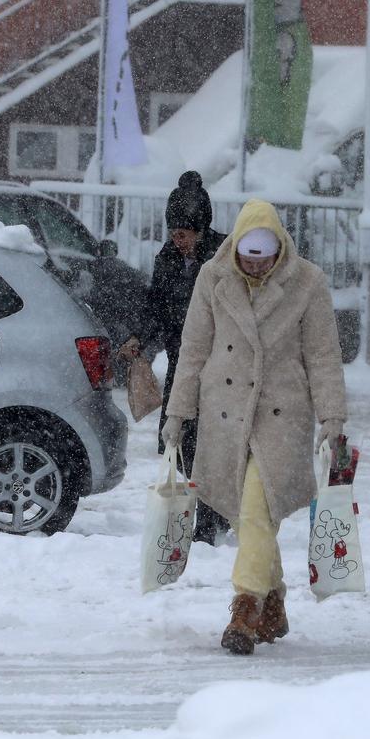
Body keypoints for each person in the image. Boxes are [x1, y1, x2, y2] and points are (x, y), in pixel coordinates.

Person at [163, 198, 347, 655]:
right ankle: (275, 602)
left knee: (256, 507)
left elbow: (323, 355)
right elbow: (194, 349)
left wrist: (332, 417)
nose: (256, 266)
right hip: (225, 410)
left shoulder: (307, 282)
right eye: (249, 258)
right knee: (248, 517)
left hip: (282, 412)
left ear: (279, 250)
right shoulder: (213, 277)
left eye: (264, 259)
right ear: (236, 249)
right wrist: (177, 413)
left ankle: (245, 608)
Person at [119, 171, 228, 543]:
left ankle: (211, 520)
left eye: (183, 234)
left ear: (200, 231)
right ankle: (216, 509)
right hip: (182, 364)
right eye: (173, 233)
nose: (177, 241)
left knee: (208, 444)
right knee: (176, 441)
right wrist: (139, 337)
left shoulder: (223, 257)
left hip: (219, 367)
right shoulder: (167, 257)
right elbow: (156, 304)